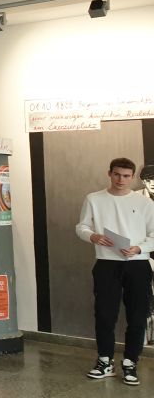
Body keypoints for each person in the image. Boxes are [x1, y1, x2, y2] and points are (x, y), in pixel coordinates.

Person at [75, 157, 154, 386]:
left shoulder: (145, 203)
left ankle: (130, 363)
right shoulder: (94, 199)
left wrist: (139, 248)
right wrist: (93, 236)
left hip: (138, 264)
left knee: (137, 316)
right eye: (117, 174)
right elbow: (81, 227)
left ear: (132, 177)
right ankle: (105, 361)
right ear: (109, 173)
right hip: (106, 264)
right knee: (104, 314)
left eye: (126, 176)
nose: (121, 179)